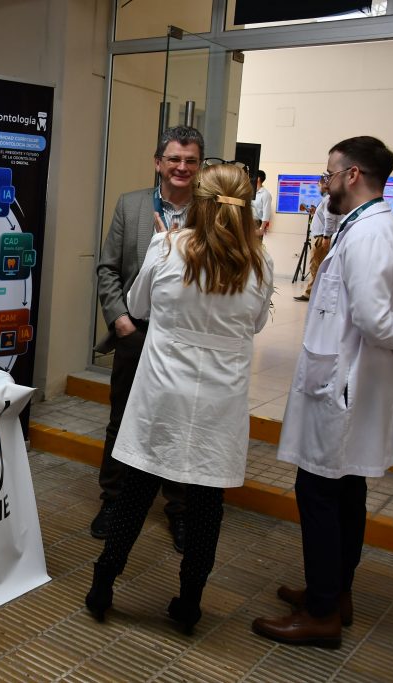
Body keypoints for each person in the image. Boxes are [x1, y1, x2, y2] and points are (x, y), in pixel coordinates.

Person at [252, 136, 393, 649]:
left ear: (353, 175)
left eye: (330, 174)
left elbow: (373, 316)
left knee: (319, 493)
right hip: (349, 375)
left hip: (343, 384)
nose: (325, 183)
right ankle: (334, 593)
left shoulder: (369, 233)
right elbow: (386, 310)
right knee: (344, 493)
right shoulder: (378, 228)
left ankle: (321, 613)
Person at [86, 163, 274, 634]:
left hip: (162, 395)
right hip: (219, 403)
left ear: (199, 205)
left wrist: (164, 244)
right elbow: (255, 324)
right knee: (207, 505)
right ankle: (189, 604)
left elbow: (139, 307)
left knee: (135, 493)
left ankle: (103, 586)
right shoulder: (259, 262)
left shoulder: (168, 246)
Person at [92, 126, 204, 550]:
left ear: (199, 167)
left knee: (182, 423)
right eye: (174, 158)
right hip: (137, 333)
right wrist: (119, 319)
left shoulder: (210, 212)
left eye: (190, 160)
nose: (181, 167)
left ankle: (181, 510)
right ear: (158, 162)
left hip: (187, 338)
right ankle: (113, 501)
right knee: (123, 418)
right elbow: (108, 268)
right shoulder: (132, 204)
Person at [294, 182, 341, 302]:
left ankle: (310, 294)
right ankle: (314, 293)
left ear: (326, 185)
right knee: (317, 266)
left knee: (316, 267)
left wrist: (326, 236)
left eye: (319, 185)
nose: (318, 187)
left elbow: (330, 219)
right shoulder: (328, 199)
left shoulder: (329, 199)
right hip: (321, 237)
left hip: (321, 238)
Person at [252, 170, 273, 237]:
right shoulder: (251, 192)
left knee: (255, 243)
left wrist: (261, 229)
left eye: (252, 177)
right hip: (248, 221)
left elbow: (266, 213)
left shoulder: (265, 194)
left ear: (258, 179)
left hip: (257, 223)